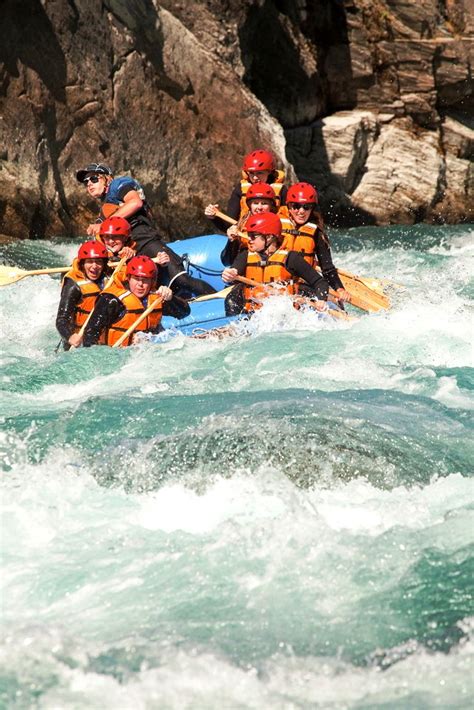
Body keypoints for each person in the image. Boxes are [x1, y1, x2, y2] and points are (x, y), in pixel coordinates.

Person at [76, 163, 215, 297]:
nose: (89, 184)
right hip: (131, 252)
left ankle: (220, 300)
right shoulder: (105, 210)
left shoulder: (118, 185)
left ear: (108, 178)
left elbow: (135, 202)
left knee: (181, 281)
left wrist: (104, 224)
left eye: (94, 179)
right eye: (86, 182)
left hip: (146, 241)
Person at [221, 213, 329, 316]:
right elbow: (235, 269)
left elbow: (319, 282)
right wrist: (230, 274)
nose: (249, 239)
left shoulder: (290, 258)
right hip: (255, 316)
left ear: (269, 237)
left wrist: (321, 300)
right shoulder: (246, 255)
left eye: (254, 236)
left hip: (286, 316)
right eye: (249, 235)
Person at [82, 255, 190, 347]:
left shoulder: (156, 299)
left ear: (152, 281)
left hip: (147, 352)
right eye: (136, 279)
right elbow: (90, 333)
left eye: (145, 280)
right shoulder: (111, 300)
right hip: (116, 352)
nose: (140, 284)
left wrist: (171, 299)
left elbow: (184, 313)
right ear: (128, 278)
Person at [279, 182, 350, 301]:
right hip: (278, 285)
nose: (301, 211)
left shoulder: (316, 233)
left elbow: (327, 268)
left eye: (306, 207)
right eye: (296, 206)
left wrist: (339, 289)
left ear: (312, 208)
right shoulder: (275, 225)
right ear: (289, 206)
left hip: (304, 286)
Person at [204, 149, 287, 231]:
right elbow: (228, 226)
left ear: (269, 172)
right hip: (244, 237)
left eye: (260, 173)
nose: (255, 178)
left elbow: (287, 222)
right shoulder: (241, 188)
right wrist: (214, 217)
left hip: (272, 238)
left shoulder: (281, 190)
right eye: (251, 173)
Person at [55, 240, 109, 350]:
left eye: (98, 262)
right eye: (90, 261)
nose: (94, 266)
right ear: (82, 263)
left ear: (104, 264)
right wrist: (70, 336)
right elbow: (61, 319)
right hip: (78, 342)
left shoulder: (111, 277)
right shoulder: (73, 285)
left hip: (103, 341)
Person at [220, 182, 278, 267]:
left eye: (264, 203)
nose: (259, 207)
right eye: (255, 203)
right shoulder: (240, 227)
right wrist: (231, 242)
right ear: (250, 205)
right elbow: (227, 262)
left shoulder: (280, 224)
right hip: (246, 270)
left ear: (271, 205)